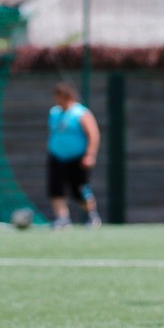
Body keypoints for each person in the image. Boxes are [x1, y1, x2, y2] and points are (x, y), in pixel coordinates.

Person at [47, 82, 101, 230]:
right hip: (56, 156)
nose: (56, 100)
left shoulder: (81, 113)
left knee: (81, 189)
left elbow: (93, 134)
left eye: (58, 96)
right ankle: (62, 218)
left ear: (66, 96)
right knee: (56, 188)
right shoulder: (54, 113)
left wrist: (90, 154)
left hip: (78, 158)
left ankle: (91, 216)